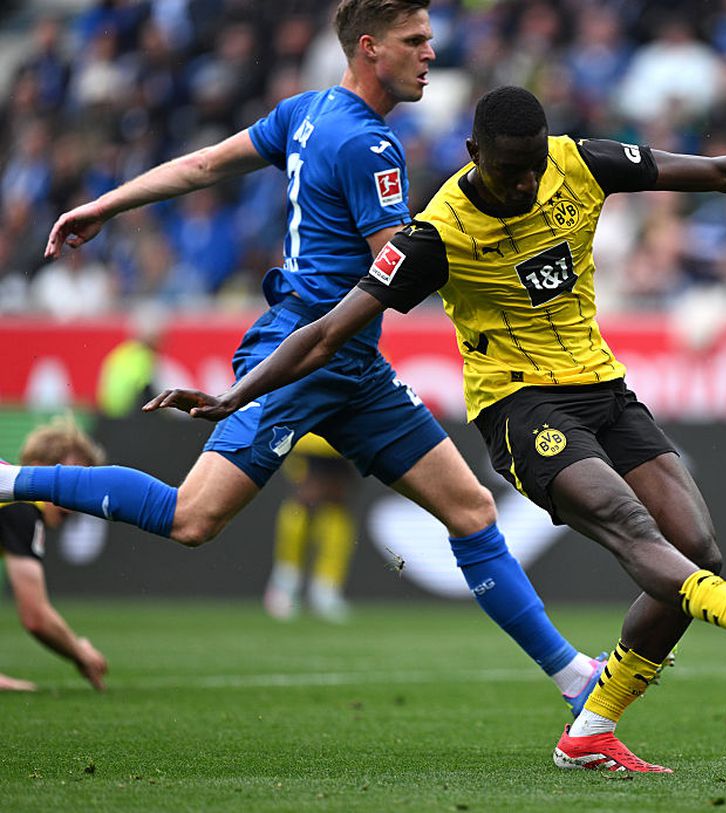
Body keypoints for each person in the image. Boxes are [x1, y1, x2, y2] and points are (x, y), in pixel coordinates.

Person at [141, 86, 726, 772]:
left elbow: (716, 172)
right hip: (519, 410)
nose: (522, 182)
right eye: (507, 169)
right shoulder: (433, 236)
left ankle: (592, 727)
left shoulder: (577, 162)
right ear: (474, 152)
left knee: (695, 552)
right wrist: (234, 394)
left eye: (531, 166)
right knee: (627, 523)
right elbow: (324, 332)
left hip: (605, 392)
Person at [0, 1, 604, 716]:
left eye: (431, 40)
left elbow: (201, 165)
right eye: (415, 41)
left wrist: (107, 203)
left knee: (471, 510)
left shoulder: (306, 112)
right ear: (370, 48)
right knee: (193, 517)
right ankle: (12, 476)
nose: (430, 54)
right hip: (305, 354)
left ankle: (573, 678)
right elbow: (392, 267)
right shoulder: (371, 146)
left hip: (353, 366)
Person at [0, 419, 109, 692]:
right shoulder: (21, 505)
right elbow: (36, 616)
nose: (75, 497)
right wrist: (79, 652)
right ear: (37, 468)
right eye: (68, 479)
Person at [263, 433, 359, 622]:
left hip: (348, 427)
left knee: (336, 504)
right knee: (305, 499)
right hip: (309, 430)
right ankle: (285, 583)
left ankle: (326, 589)